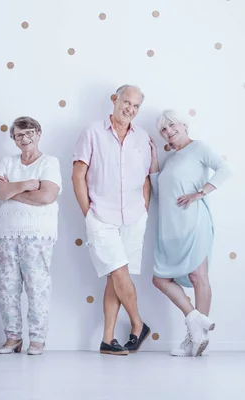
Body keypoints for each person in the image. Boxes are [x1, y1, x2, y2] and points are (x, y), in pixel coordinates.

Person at [72, 85, 152, 356]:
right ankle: (138, 324)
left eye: (136, 105)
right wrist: (88, 212)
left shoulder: (143, 137)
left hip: (133, 217)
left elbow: (145, 179)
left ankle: (107, 339)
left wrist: (144, 209)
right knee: (118, 271)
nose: (130, 108)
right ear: (115, 100)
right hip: (101, 216)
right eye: (126, 101)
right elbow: (78, 174)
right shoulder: (92, 131)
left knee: (114, 278)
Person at [149, 109, 231, 357]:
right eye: (163, 130)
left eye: (172, 126)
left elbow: (224, 169)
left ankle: (196, 340)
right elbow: (157, 192)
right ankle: (196, 323)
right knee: (160, 279)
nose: (168, 132)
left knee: (198, 276)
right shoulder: (170, 159)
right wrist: (154, 156)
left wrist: (200, 193)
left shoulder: (199, 148)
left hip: (194, 223)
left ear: (184, 125)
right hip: (169, 228)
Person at [0, 116, 62, 356]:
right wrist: (25, 185)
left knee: (37, 286)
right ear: (14, 139)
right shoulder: (7, 162)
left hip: (38, 235)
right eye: (19, 135)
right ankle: (12, 338)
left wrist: (10, 190)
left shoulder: (49, 163)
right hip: (7, 235)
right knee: (6, 287)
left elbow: (46, 197)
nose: (25, 138)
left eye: (30, 132)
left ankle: (38, 339)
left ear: (39, 133)